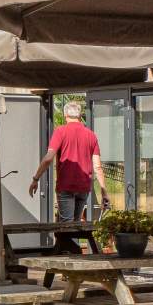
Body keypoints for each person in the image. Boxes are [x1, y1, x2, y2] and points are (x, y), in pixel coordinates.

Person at [26, 99, 104, 231]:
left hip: (66, 186)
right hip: (84, 187)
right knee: (76, 224)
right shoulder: (91, 135)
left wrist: (35, 179)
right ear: (80, 116)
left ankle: (68, 251)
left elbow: (48, 159)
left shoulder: (60, 132)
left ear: (65, 115)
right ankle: (73, 250)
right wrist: (104, 191)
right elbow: (97, 167)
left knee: (66, 225)